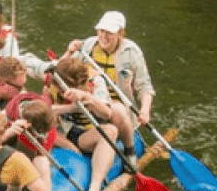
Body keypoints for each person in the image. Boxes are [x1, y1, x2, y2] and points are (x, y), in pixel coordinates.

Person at [63, 10, 152, 151]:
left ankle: (130, 151)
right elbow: (62, 72)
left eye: (109, 33)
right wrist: (69, 52)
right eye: (101, 30)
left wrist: (145, 110)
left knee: (118, 109)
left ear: (120, 34)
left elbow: (144, 86)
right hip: (89, 104)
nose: (103, 36)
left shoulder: (131, 52)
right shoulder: (86, 47)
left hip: (117, 108)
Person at [48, 56, 121, 191]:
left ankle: (95, 187)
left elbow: (107, 113)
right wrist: (71, 109)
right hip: (69, 134)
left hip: (91, 131)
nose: (60, 89)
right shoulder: (53, 82)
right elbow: (46, 114)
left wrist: (87, 97)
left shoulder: (95, 82)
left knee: (111, 129)